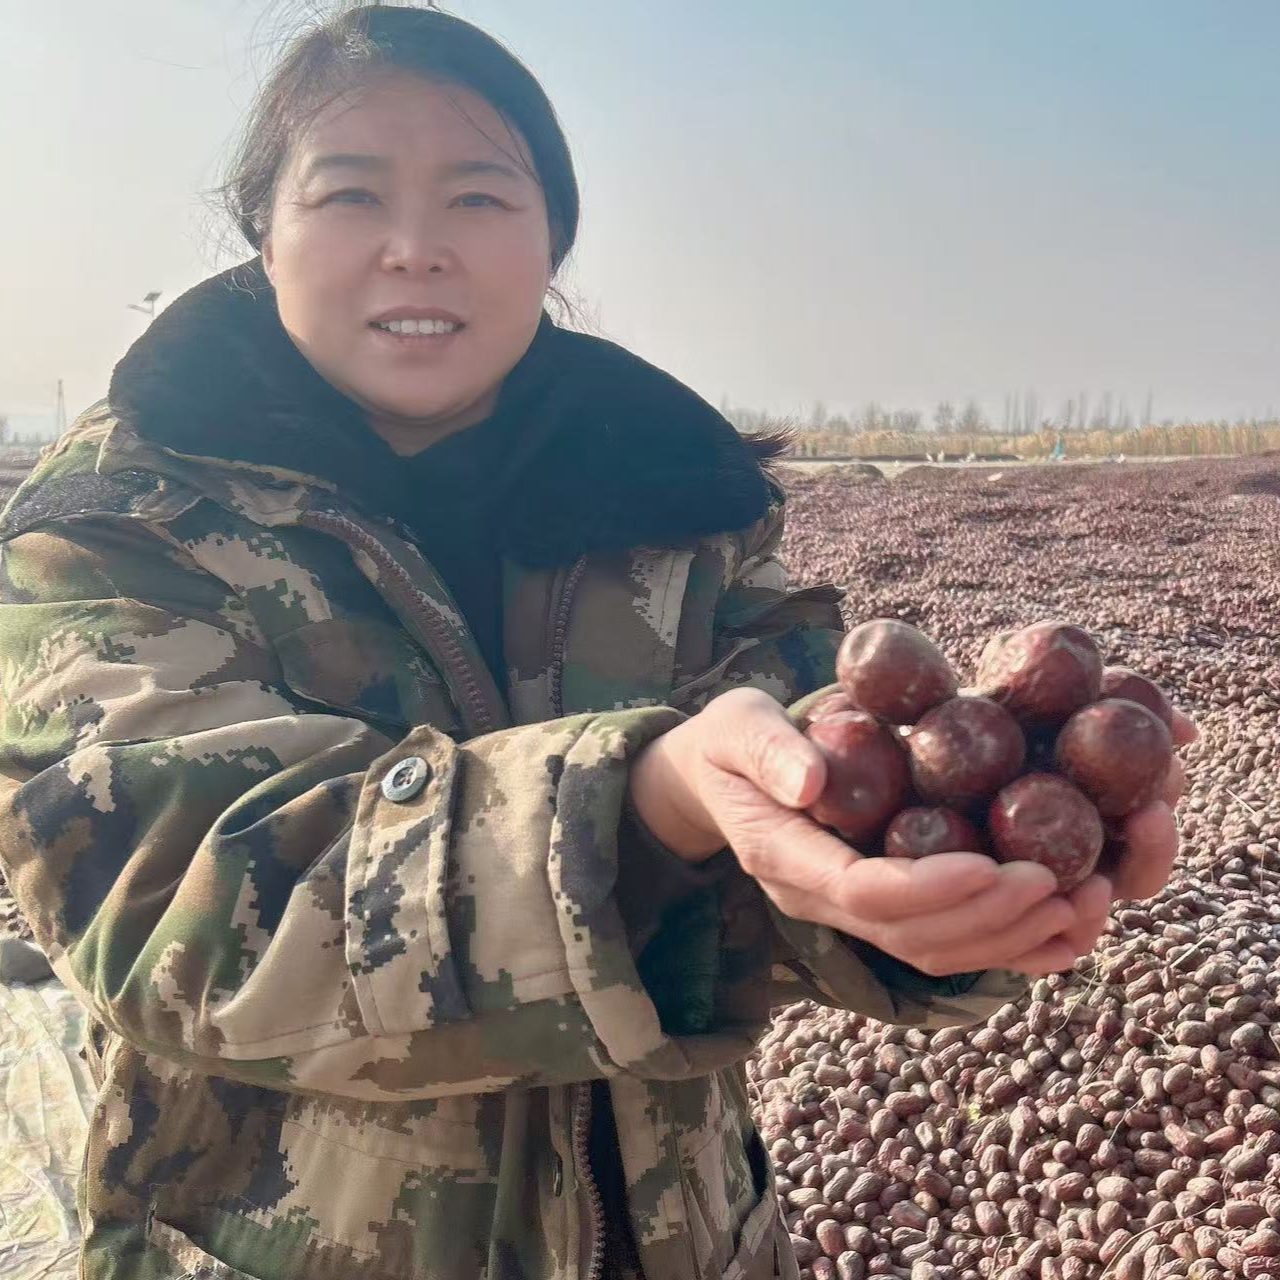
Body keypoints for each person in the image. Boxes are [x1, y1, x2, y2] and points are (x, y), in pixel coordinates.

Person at [0, 7, 1194, 1278]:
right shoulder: (114, 529)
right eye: (350, 195)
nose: (416, 250)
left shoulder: (678, 500)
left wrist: (915, 909)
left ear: (551, 238)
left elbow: (805, 828)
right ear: (263, 233)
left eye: (478, 198)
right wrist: (648, 799)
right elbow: (178, 903)